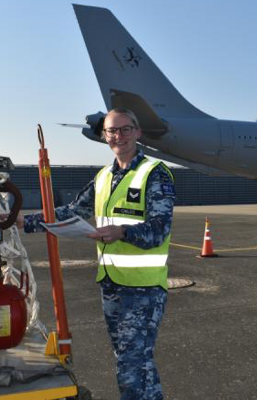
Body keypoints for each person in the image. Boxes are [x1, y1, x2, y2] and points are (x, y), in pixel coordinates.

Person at [17, 108, 175, 399]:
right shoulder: (103, 177)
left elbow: (159, 228)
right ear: (104, 137)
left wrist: (123, 232)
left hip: (143, 288)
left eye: (125, 129)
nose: (119, 136)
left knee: (132, 364)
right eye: (112, 131)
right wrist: (24, 221)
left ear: (137, 132)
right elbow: (72, 212)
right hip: (112, 284)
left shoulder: (154, 173)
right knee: (131, 361)